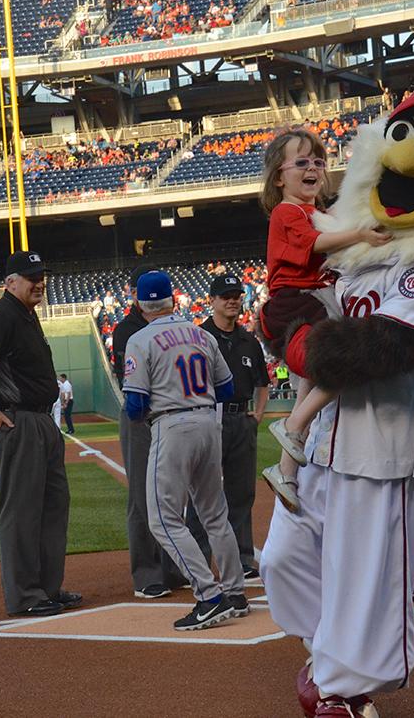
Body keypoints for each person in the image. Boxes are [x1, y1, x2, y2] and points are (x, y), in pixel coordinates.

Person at [257, 127, 392, 513]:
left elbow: (333, 222)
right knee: (346, 362)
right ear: (279, 177)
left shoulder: (314, 211)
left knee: (313, 378)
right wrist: (361, 234)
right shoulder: (288, 210)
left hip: (311, 300)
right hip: (299, 302)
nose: (313, 167)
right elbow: (315, 243)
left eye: (318, 161)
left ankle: (285, 470)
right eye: (301, 162)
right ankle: (292, 426)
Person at [121, 270, 248, 631]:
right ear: (173, 300)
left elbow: (134, 405)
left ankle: (209, 596)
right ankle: (236, 593)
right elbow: (226, 388)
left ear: (140, 304)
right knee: (214, 514)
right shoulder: (201, 333)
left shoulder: (140, 339)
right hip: (209, 422)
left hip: (172, 424)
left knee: (162, 519)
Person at [0, 250, 82, 616]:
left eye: (41, 275)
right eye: (31, 277)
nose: (39, 282)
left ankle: (47, 588)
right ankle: (26, 596)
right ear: (11, 282)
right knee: (23, 512)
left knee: (53, 505)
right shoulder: (2, 315)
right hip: (18, 422)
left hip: (42, 421)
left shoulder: (26, 316)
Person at [112, 263, 187, 599]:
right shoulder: (126, 330)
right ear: (135, 296)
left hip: (172, 416)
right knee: (143, 495)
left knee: (172, 492)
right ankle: (147, 574)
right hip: (140, 417)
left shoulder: (173, 325)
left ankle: (172, 568)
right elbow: (135, 382)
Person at [193, 274, 270, 579]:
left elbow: (263, 383)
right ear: (211, 300)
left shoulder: (248, 340)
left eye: (236, 295)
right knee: (203, 493)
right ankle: (198, 561)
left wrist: (259, 416)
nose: (233, 300)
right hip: (208, 419)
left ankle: (242, 558)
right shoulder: (198, 337)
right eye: (225, 295)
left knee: (241, 492)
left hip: (241, 420)